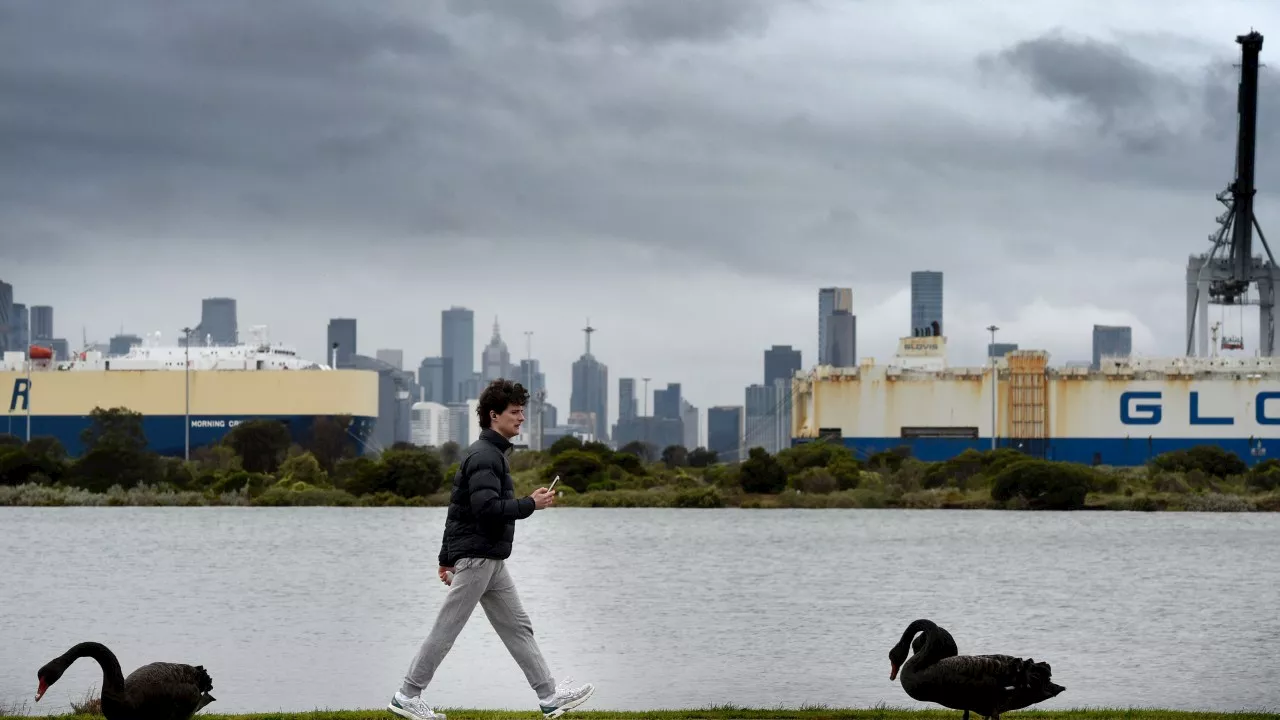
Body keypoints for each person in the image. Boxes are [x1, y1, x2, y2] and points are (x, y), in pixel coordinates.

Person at [389, 378, 595, 720]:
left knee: (518, 627)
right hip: (478, 560)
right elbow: (485, 509)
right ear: (493, 415)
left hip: (490, 560)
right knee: (446, 628)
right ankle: (407, 695)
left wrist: (444, 560)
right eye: (515, 412)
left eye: (522, 412)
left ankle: (548, 696)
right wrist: (530, 503)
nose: (521, 418)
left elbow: (458, 511)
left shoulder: (489, 454)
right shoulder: (486, 456)